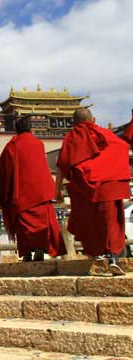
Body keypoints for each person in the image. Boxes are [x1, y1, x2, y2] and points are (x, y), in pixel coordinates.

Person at [56, 108, 129, 275]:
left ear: (73, 123)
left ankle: (95, 257)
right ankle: (113, 258)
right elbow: (122, 147)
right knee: (111, 223)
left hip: (86, 189)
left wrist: (57, 190)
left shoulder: (72, 137)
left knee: (89, 223)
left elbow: (62, 165)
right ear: (93, 119)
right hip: (109, 184)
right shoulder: (106, 134)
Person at [0, 116, 66, 261]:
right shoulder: (38, 144)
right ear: (32, 129)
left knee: (24, 225)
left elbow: (3, 170)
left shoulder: (12, 145)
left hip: (21, 193)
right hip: (40, 192)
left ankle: (26, 253)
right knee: (41, 223)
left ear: (16, 130)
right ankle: (39, 248)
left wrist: (0, 194)